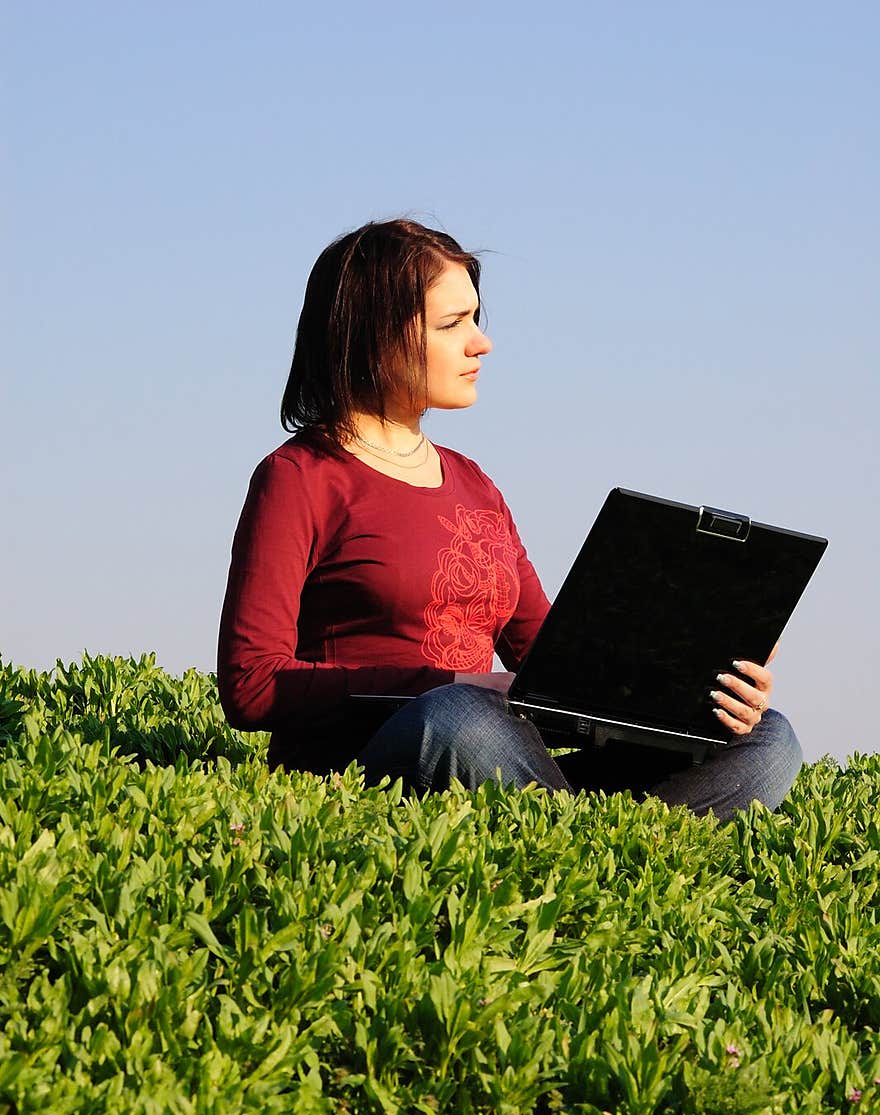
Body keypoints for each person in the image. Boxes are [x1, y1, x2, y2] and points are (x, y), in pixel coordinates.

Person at [217, 217, 802, 822]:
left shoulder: (475, 483)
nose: (481, 342)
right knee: (459, 721)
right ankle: (582, 847)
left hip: (495, 763)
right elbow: (251, 685)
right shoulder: (300, 476)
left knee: (768, 742)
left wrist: (700, 667)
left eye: (476, 318)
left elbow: (552, 661)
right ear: (373, 335)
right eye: (452, 324)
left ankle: (575, 841)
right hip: (384, 763)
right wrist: (447, 684)